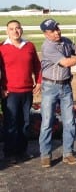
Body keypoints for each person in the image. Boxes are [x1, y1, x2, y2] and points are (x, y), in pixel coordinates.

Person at [38, 18, 76, 168]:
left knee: (70, 121)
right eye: (53, 30)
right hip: (50, 87)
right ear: (46, 34)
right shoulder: (47, 47)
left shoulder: (65, 40)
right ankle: (45, 155)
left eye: (57, 28)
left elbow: (74, 49)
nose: (57, 32)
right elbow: (65, 62)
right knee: (47, 122)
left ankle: (68, 153)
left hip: (65, 87)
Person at [0, 20, 42, 164]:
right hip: (9, 93)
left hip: (27, 91)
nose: (15, 31)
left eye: (17, 28)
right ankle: (10, 152)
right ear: (7, 32)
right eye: (11, 29)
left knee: (24, 122)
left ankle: (22, 151)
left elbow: (37, 65)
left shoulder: (29, 46)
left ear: (21, 30)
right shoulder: (2, 48)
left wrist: (39, 81)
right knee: (11, 123)